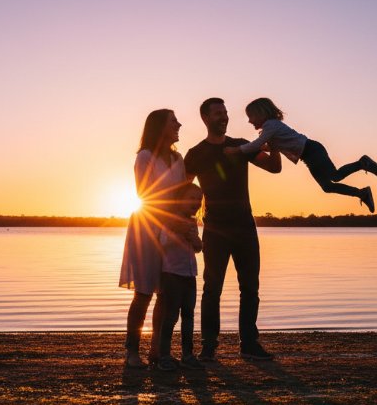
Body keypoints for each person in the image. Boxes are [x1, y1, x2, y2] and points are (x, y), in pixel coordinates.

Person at [183, 98, 282, 361]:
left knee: (250, 287)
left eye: (225, 112)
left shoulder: (241, 146)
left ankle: (248, 343)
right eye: (218, 113)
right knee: (212, 288)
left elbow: (274, 167)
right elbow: (180, 189)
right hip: (215, 229)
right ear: (205, 118)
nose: (224, 117)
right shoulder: (195, 154)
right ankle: (208, 345)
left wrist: (275, 146)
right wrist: (186, 220)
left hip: (245, 228)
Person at [224, 97, 377, 213]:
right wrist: (260, 148)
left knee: (335, 175)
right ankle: (362, 193)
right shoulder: (270, 129)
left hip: (312, 150)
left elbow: (257, 144)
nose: (249, 121)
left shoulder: (270, 125)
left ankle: (362, 163)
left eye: (250, 116)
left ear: (261, 114)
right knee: (327, 187)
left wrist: (235, 150)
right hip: (308, 156)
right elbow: (266, 145)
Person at [119, 109, 187, 369]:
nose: (179, 124)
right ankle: (131, 351)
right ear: (160, 127)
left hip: (172, 230)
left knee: (167, 293)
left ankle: (158, 350)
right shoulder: (145, 157)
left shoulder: (178, 158)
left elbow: (180, 195)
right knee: (144, 292)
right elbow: (146, 193)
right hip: (147, 228)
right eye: (173, 121)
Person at [153, 183, 205, 371]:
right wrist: (177, 232)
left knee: (189, 315)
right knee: (171, 316)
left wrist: (195, 240)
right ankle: (164, 356)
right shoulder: (169, 221)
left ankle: (187, 354)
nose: (196, 202)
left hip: (190, 275)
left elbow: (198, 248)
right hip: (172, 275)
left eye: (199, 199)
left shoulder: (192, 222)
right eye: (191, 198)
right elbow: (162, 243)